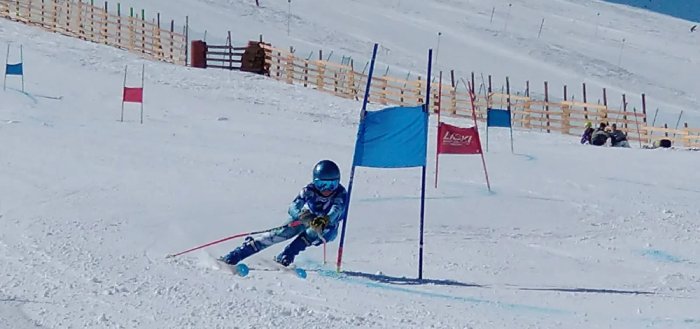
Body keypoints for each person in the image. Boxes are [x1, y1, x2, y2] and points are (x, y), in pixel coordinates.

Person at [219, 160, 348, 267]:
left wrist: (325, 219)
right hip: (307, 217)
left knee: (314, 231)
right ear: (315, 181)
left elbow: (336, 210)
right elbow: (293, 207)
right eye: (322, 184)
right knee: (283, 232)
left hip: (328, 226)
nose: (326, 189)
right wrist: (303, 216)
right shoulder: (309, 190)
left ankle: (288, 254)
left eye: (332, 184)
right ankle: (239, 253)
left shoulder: (340, 194)